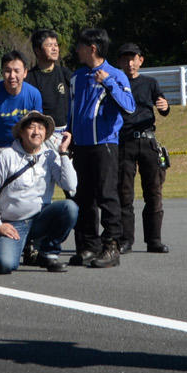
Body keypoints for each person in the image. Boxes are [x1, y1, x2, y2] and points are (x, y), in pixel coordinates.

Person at [68, 27, 135, 269]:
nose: (76, 50)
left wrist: (108, 83)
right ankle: (89, 246)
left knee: (107, 196)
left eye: (80, 45)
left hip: (105, 144)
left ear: (92, 48)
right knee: (84, 198)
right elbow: (72, 111)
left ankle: (111, 246)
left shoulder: (116, 75)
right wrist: (69, 135)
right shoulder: (76, 77)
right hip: (81, 147)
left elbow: (129, 107)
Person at [0, 112, 78, 274]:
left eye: (41, 128)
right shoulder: (7, 156)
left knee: (69, 208)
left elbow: (70, 185)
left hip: (40, 220)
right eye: (31, 127)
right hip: (13, 223)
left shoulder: (51, 156)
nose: (36, 132)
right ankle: (2, 243)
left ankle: (48, 253)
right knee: (5, 265)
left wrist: (63, 153)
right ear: (21, 132)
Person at [114, 42, 171, 254]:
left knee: (154, 192)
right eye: (125, 59)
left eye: (133, 58)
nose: (130, 63)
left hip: (147, 141)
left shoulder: (150, 83)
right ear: (119, 62)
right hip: (124, 142)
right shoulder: (115, 84)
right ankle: (125, 240)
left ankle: (154, 240)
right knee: (124, 194)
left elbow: (163, 107)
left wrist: (165, 107)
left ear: (141, 60)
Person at [0, 51, 42, 150]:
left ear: (25, 73)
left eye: (16, 71)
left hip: (25, 147)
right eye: (8, 71)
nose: (12, 76)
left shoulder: (34, 94)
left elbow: (37, 128)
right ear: (2, 72)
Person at [28, 28, 71, 137]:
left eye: (56, 45)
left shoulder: (65, 74)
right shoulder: (29, 78)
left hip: (66, 133)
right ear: (37, 50)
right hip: (42, 134)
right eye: (49, 45)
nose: (54, 49)